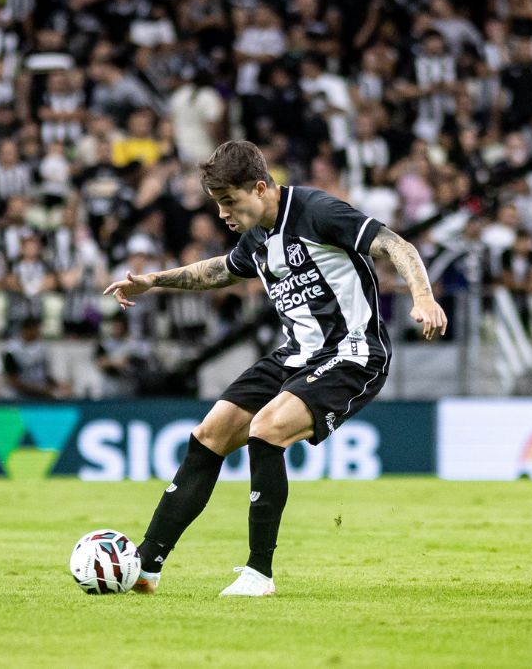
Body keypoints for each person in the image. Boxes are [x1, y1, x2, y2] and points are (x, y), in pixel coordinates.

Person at [103, 141, 446, 597]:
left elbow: (395, 245)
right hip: (294, 355)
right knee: (211, 434)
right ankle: (146, 566)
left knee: (267, 429)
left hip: (352, 352)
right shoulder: (257, 236)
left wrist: (422, 297)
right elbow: (221, 271)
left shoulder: (318, 211)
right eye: (218, 204)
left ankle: (258, 573)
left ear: (260, 187)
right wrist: (154, 281)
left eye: (229, 201)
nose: (223, 214)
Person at [4, 316, 69, 399]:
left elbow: (44, 375)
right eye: (36, 330)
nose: (39, 333)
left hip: (39, 396)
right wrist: (43, 391)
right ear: (26, 330)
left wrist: (59, 386)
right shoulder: (11, 350)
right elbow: (14, 383)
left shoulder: (42, 348)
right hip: (17, 399)